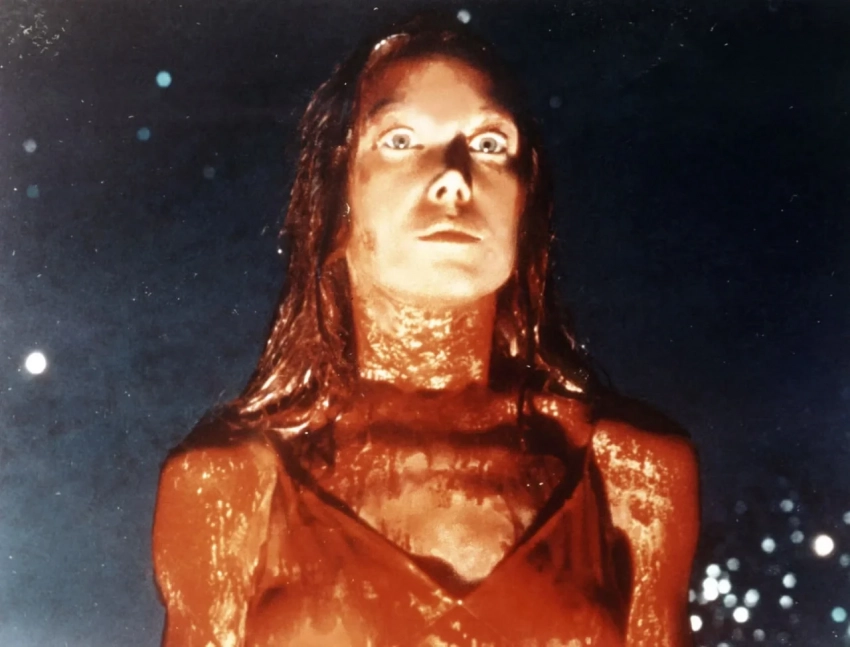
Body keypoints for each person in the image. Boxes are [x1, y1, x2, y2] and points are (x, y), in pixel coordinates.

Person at [152, 12, 700, 647]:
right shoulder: (229, 481)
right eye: (401, 140)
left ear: (525, 203)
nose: (454, 178)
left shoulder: (630, 468)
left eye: (490, 143)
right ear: (337, 198)